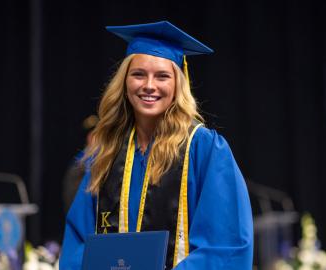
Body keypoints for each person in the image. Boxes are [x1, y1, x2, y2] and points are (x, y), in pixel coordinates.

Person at [60, 21, 253, 270]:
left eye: (162, 76)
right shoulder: (106, 152)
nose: (149, 85)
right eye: (138, 74)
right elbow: (79, 240)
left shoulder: (204, 149)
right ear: (124, 82)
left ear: (177, 85)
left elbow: (227, 243)